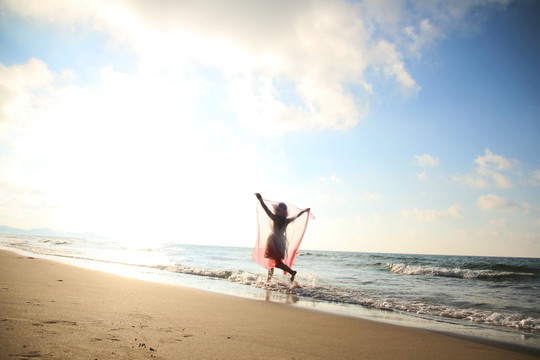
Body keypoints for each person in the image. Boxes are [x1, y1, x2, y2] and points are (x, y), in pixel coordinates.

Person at [255, 193, 310, 282]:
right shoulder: (283, 219)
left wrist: (261, 199)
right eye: (280, 208)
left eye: (283, 208)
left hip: (275, 241)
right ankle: (268, 280)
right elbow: (296, 216)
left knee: (276, 263)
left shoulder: (279, 219)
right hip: (277, 241)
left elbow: (266, 209)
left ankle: (292, 272)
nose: (281, 210)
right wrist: (303, 211)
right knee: (271, 262)